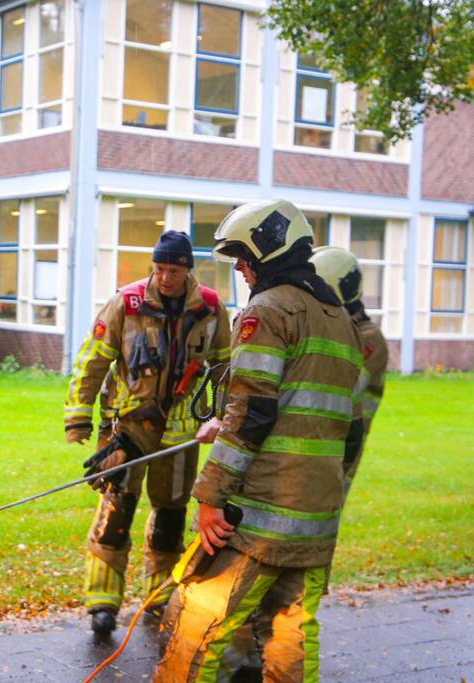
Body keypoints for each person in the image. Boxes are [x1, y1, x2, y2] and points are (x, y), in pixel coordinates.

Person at [153, 200, 364, 683]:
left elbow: (250, 415)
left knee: (198, 619)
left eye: (244, 257)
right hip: (316, 516)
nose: (242, 269)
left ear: (269, 250)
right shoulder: (341, 321)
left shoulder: (267, 311)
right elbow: (344, 426)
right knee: (291, 630)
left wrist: (209, 496)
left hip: (259, 517)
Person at [63, 230, 231, 637]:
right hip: (126, 432)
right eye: (159, 269)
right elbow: (92, 361)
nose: (164, 278)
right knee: (115, 513)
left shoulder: (210, 309)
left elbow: (226, 369)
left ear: (188, 269)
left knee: (170, 519)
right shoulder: (127, 303)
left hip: (179, 437)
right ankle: (102, 602)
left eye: (173, 270)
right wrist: (78, 417)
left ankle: (159, 597)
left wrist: (225, 421)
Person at [309, 245, 388, 492]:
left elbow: (341, 387)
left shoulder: (368, 339)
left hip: (343, 443)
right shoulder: (331, 329)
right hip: (315, 438)